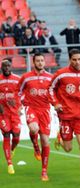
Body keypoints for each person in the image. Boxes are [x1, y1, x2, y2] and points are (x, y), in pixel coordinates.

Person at [49, 49, 80, 188]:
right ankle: (60, 139)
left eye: (79, 59)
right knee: (68, 148)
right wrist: (56, 103)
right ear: (70, 60)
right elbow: (50, 89)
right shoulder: (61, 74)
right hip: (66, 116)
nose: (77, 62)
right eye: (74, 59)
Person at [18, 53, 53, 181]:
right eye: (37, 60)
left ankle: (44, 171)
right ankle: (35, 146)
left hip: (45, 110)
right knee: (33, 129)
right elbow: (18, 91)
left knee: (45, 140)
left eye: (42, 60)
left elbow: (54, 92)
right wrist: (22, 103)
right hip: (31, 107)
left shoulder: (50, 78)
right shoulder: (26, 77)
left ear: (45, 62)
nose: (40, 63)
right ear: (34, 62)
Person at [0, 59, 21, 175]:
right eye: (4, 66)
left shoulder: (17, 80)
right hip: (3, 114)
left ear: (11, 67)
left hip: (14, 113)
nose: (6, 68)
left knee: (16, 136)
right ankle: (9, 163)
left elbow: (22, 93)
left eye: (8, 66)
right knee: (6, 134)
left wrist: (20, 106)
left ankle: (12, 149)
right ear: (1, 67)